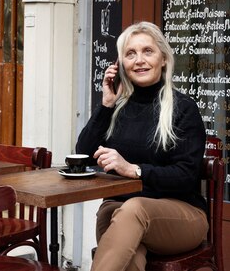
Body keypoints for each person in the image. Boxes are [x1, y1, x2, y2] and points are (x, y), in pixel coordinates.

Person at [76, 21, 208, 271]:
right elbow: (83, 157)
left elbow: (186, 176)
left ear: (164, 59)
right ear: (121, 65)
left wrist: (134, 170)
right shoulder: (118, 108)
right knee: (129, 254)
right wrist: (106, 106)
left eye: (148, 51)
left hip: (181, 216)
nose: (139, 60)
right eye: (130, 54)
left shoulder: (183, 109)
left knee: (133, 209)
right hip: (121, 212)